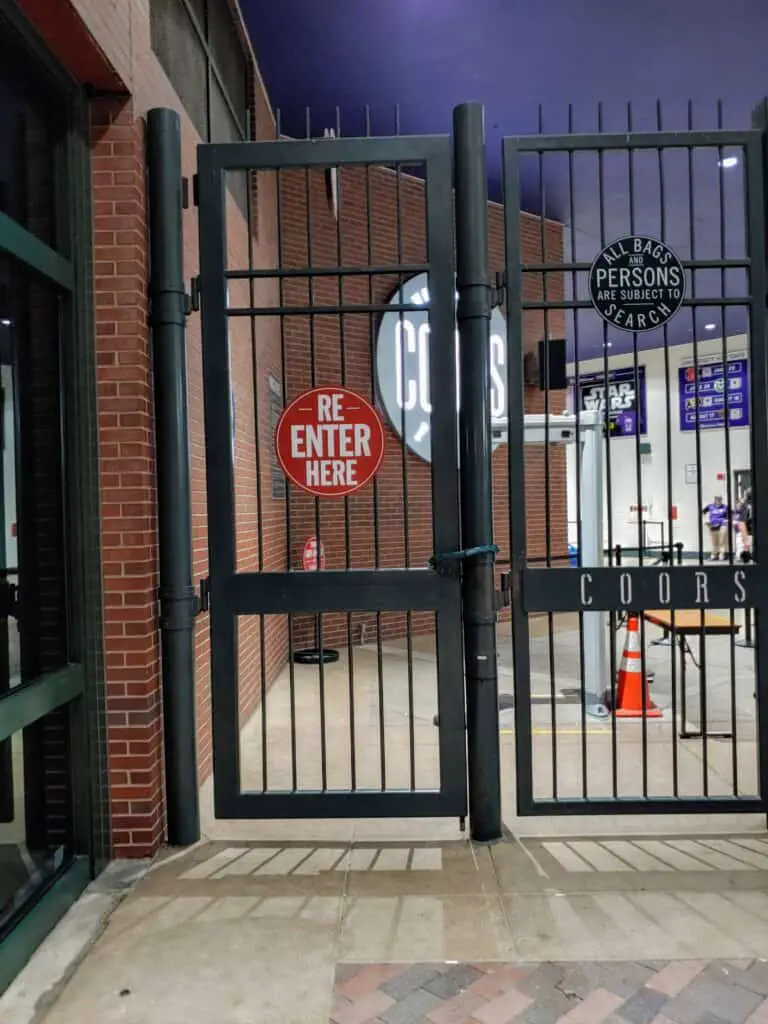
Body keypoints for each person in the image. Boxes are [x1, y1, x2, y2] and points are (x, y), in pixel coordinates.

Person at [701, 495, 730, 561]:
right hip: (712, 525)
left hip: (722, 525)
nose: (718, 500)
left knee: (722, 541)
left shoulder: (725, 507)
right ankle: (713, 555)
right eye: (717, 499)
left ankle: (721, 555)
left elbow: (730, 514)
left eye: (720, 499)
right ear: (714, 500)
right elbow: (703, 512)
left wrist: (726, 520)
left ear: (721, 500)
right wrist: (706, 521)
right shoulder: (710, 506)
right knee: (714, 542)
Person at [737, 487, 753, 562]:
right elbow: (741, 523)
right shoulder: (746, 505)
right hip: (749, 535)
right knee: (746, 560)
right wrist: (746, 540)